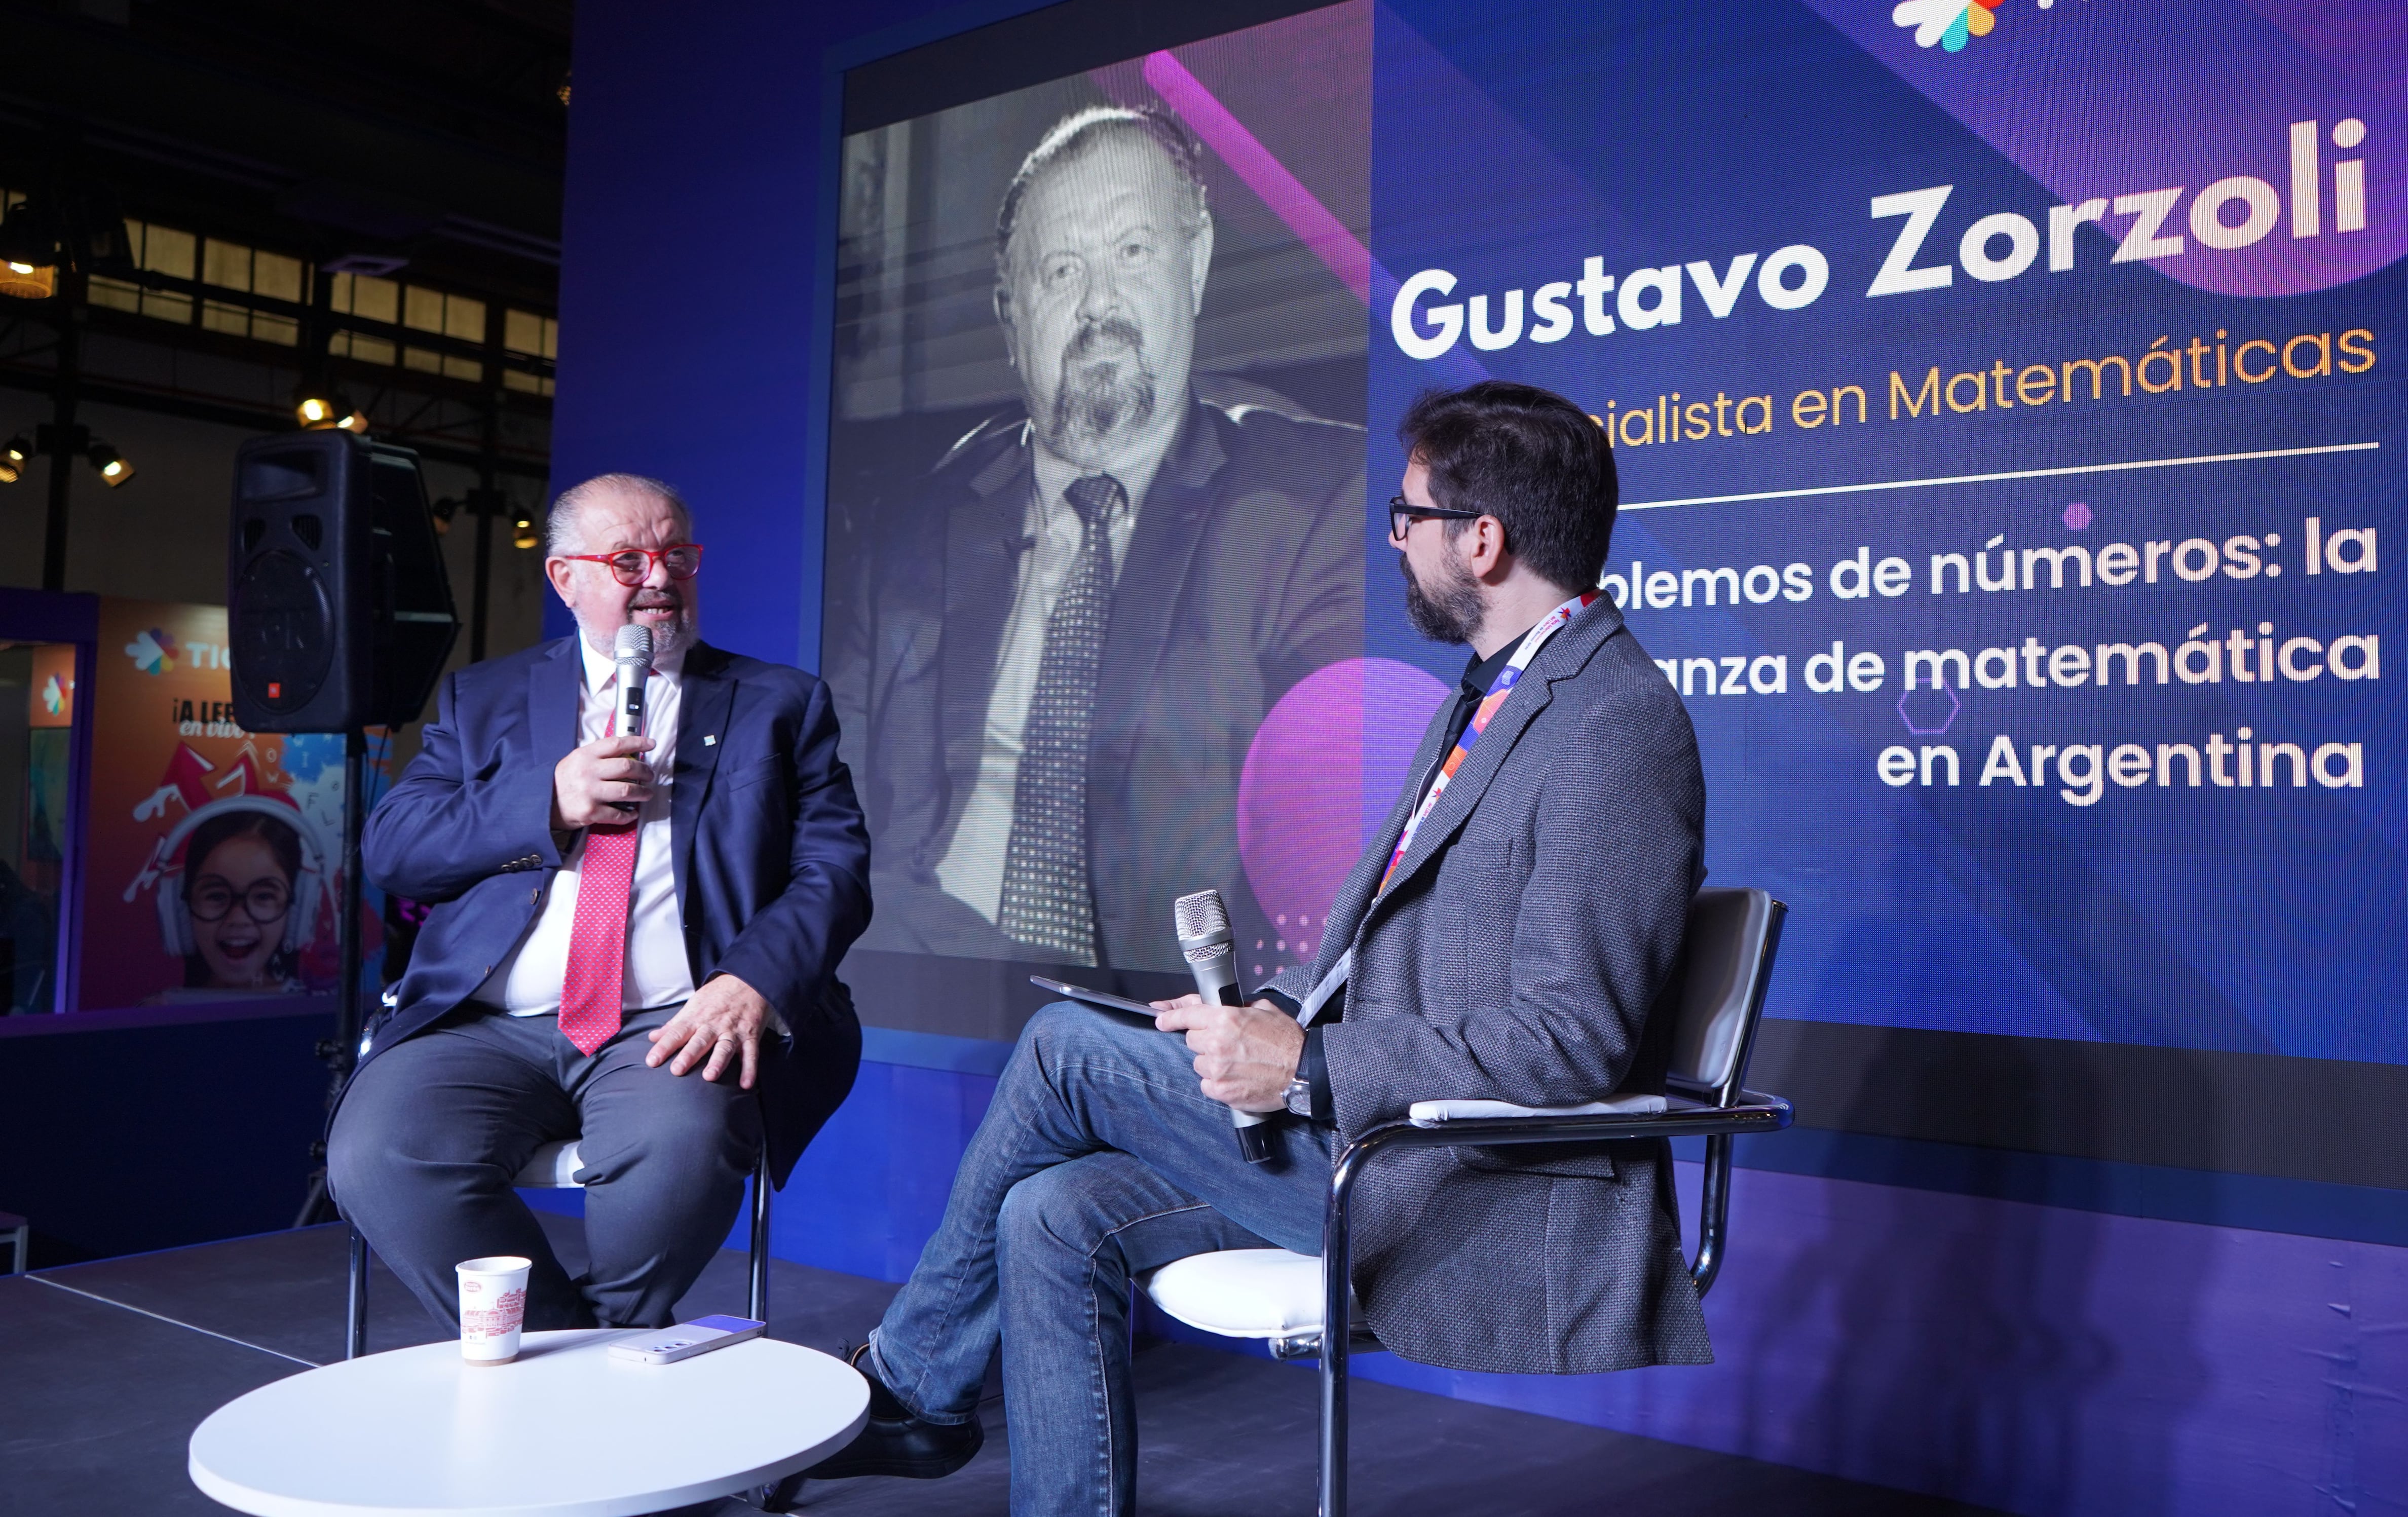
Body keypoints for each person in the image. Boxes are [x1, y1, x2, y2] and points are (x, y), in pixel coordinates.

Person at [794, 382, 1709, 1513]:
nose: (1396, 541)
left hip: (1464, 1187)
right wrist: (1268, 1023)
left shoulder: (1613, 720)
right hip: (1377, 1145)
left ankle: (911, 1387)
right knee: (1050, 1211)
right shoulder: (1494, 698)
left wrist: (1308, 1066)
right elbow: (1415, 967)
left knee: (1063, 1047)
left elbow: (1572, 1042)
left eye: (1407, 517)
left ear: (1483, 540)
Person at [328, 473, 872, 1334]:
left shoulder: (779, 704)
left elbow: (835, 869)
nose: (659, 576)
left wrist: (751, 980)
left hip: (669, 1023)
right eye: (628, 558)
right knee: (378, 1153)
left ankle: (586, 1359)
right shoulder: (485, 699)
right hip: (487, 1026)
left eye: (676, 555)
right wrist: (546, 801)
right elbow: (397, 848)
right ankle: (578, 1359)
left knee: (686, 1146)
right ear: (565, 578)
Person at [828, 104, 1362, 971]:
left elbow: (1330, 847)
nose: (1098, 304)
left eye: (1134, 252)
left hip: (1164, 1006)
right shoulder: (916, 526)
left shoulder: (1307, 502)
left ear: (1195, 264)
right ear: (1010, 314)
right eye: (1062, 270)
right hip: (922, 977)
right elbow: (836, 802)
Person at [181, 806, 306, 990]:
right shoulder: (158, 1011)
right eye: (216, 896)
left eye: (264, 896)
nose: (238, 919)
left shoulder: (320, 1008)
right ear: (181, 911)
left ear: (297, 909)